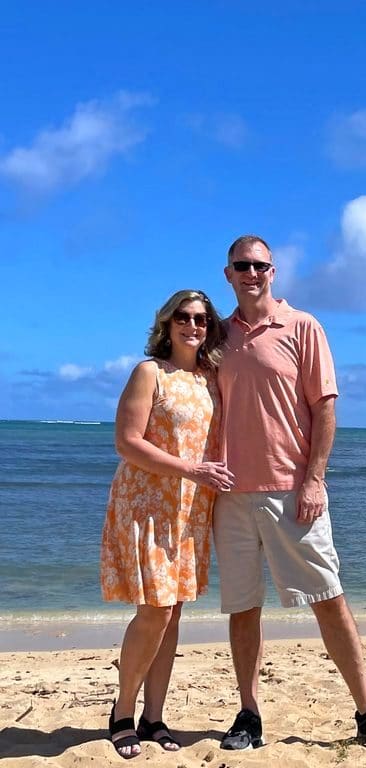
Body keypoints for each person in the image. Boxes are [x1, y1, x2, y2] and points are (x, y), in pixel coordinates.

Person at [213, 235, 366, 752]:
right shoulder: (217, 337)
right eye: (243, 265)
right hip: (231, 494)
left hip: (291, 490)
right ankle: (249, 714)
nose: (252, 273)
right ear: (228, 273)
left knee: (328, 597)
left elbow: (324, 408)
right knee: (243, 607)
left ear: (273, 271)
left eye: (260, 265)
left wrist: (314, 478)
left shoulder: (303, 327)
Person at [100, 290, 234, 759]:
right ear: (167, 322)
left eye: (200, 318)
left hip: (191, 508)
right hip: (148, 504)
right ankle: (121, 712)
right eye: (183, 316)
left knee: (173, 612)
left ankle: (153, 716)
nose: (192, 325)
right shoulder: (149, 372)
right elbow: (127, 442)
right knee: (154, 610)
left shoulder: (211, 379)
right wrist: (191, 470)